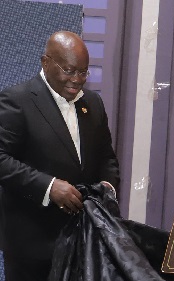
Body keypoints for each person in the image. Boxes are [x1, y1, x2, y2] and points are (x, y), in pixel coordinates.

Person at [0, 31, 120, 281]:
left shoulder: (93, 103)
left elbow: (106, 157)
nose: (77, 80)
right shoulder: (17, 100)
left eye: (83, 72)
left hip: (83, 243)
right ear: (46, 62)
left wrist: (107, 189)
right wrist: (49, 187)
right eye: (69, 70)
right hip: (32, 245)